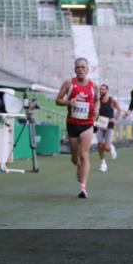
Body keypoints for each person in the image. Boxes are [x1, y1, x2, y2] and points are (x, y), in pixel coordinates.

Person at [55, 57, 96, 198]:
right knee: (75, 157)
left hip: (87, 124)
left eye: (83, 67)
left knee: (84, 154)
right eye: (78, 67)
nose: (80, 70)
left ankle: (83, 188)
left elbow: (97, 102)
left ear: (87, 69)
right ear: (74, 69)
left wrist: (96, 110)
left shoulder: (93, 86)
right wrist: (68, 102)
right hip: (72, 124)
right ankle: (78, 164)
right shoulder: (68, 83)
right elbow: (57, 100)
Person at [94, 84, 121, 173]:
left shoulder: (112, 100)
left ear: (107, 90)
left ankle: (111, 147)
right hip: (99, 124)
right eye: (100, 89)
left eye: (103, 89)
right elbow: (95, 109)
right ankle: (103, 163)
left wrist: (115, 118)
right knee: (100, 144)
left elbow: (119, 110)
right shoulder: (97, 100)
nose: (101, 91)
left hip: (109, 125)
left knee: (106, 147)